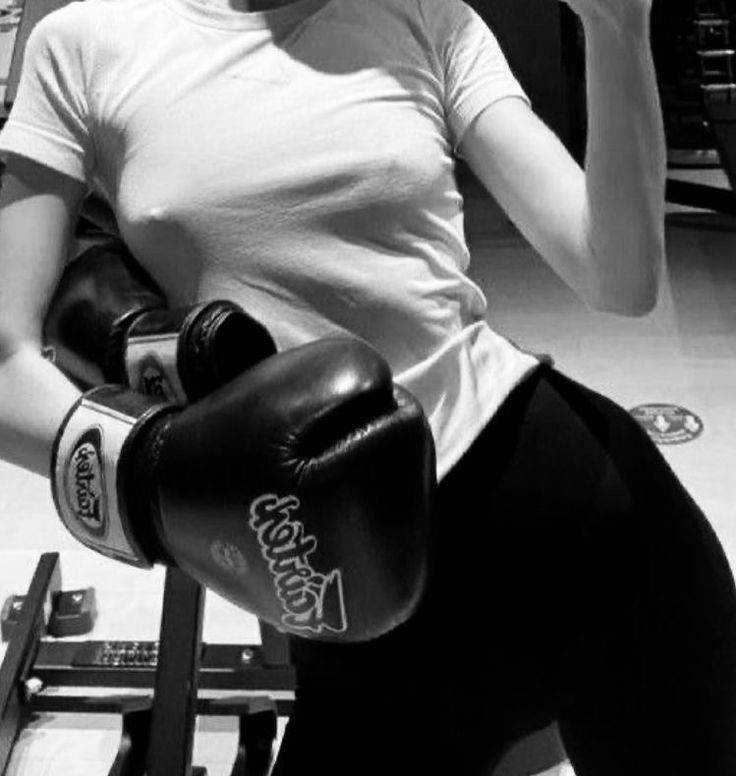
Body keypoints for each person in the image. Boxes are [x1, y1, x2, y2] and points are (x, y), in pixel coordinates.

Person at [0, 0, 734, 773]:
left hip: (597, 532)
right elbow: (7, 360)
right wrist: (152, 467)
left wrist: (617, 28)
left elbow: (619, 278)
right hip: (344, 598)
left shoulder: (426, 16)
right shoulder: (84, 44)